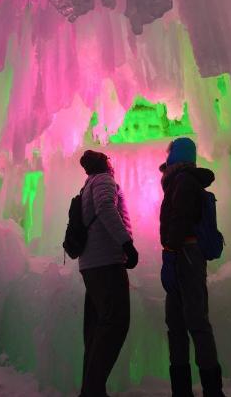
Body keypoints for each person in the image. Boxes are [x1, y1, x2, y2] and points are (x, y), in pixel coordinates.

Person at [159, 138, 225, 397]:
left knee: (196, 321)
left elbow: (180, 218)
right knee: (175, 322)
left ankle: (212, 390)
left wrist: (170, 252)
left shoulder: (184, 181)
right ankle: (182, 390)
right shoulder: (180, 181)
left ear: (177, 156)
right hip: (181, 253)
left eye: (170, 153)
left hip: (185, 253)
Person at [78, 149, 139, 397]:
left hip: (91, 264)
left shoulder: (87, 185)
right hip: (105, 263)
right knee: (115, 322)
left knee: (96, 328)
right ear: (104, 163)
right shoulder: (103, 180)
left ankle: (92, 389)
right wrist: (126, 243)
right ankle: (93, 390)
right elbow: (105, 207)